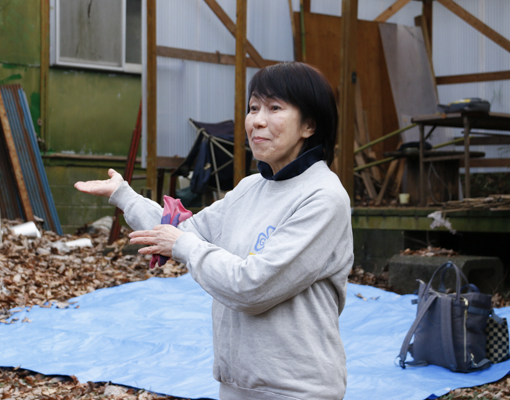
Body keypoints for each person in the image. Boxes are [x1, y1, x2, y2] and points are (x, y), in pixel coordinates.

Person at [74, 62, 353, 400]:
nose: (257, 120)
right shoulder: (251, 189)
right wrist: (123, 196)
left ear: (309, 124)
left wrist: (184, 246)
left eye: (274, 108)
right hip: (238, 383)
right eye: (253, 108)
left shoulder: (323, 197)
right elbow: (180, 231)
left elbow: (253, 286)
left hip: (297, 389)